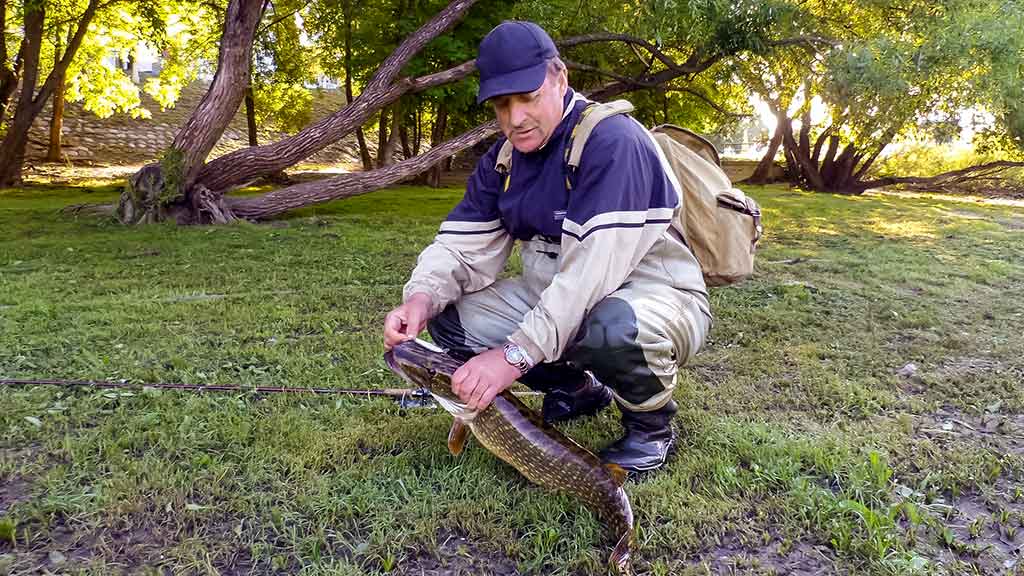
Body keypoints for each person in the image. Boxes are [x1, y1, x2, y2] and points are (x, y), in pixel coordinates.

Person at [383, 20, 711, 474]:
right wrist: (420, 298)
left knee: (609, 328)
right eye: (501, 104)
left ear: (559, 77)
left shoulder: (615, 143)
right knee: (449, 317)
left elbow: (588, 279)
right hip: (559, 295)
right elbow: (460, 248)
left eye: (528, 96)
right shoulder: (502, 161)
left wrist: (512, 357)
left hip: (651, 297)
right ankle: (576, 387)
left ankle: (650, 427)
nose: (515, 118)